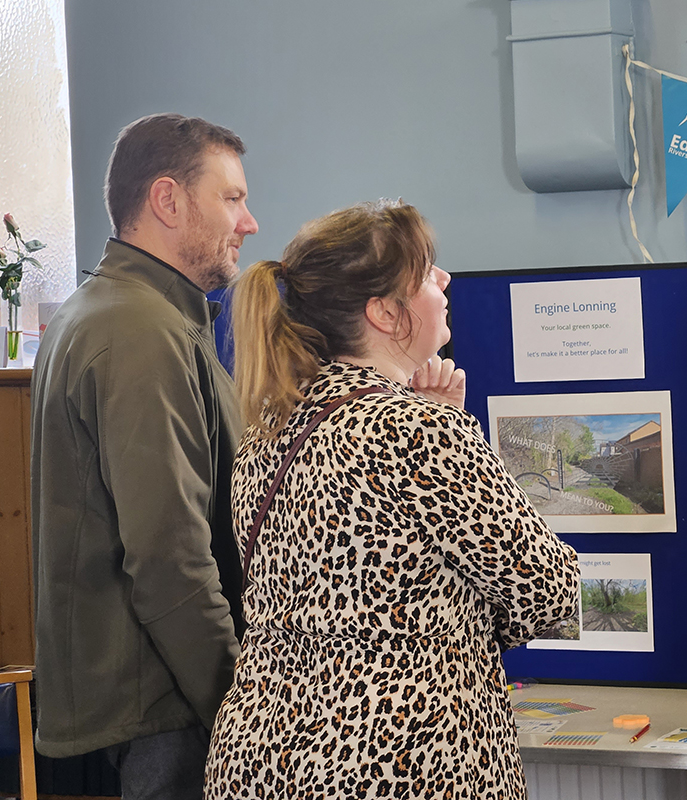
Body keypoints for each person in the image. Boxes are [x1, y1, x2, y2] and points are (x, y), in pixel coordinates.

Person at [204, 200, 581, 798]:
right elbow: (548, 591)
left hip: (265, 753)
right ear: (384, 313)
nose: (445, 280)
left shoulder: (270, 428)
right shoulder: (419, 430)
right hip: (396, 758)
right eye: (428, 271)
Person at [30, 113, 259, 797]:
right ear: (167, 200)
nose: (248, 222)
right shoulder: (139, 331)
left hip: (144, 708)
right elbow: (169, 559)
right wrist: (241, 712)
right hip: (163, 716)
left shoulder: (112, 312)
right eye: (232, 198)